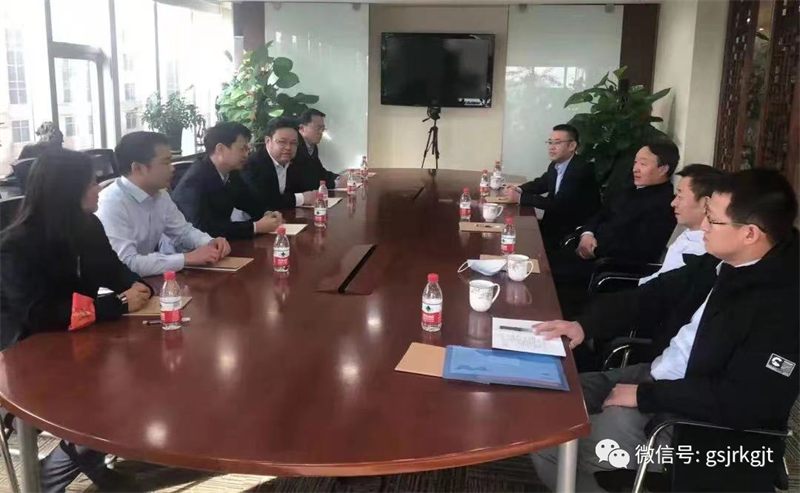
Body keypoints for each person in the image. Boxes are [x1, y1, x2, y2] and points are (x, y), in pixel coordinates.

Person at [531, 169, 800, 493]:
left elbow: (746, 401)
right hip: (661, 378)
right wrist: (584, 325)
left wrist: (644, 396)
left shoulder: (784, 305)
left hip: (698, 430)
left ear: (750, 234)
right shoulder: (725, 262)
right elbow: (655, 294)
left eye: (713, 220)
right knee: (550, 402)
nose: (703, 227)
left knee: (552, 440)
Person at [0, 149, 151, 493]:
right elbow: (38, 314)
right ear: (68, 190)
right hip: (25, 354)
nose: (99, 188)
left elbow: (112, 269)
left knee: (145, 377)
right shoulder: (16, 245)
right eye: (92, 183)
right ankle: (46, 482)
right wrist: (117, 304)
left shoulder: (88, 225)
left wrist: (138, 287)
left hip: (79, 340)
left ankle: (85, 467)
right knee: (112, 398)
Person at [547, 140, 679, 318]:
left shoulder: (664, 205)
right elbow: (600, 213)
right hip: (586, 250)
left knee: (546, 277)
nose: (635, 168)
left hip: (606, 266)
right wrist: (587, 234)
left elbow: (640, 251)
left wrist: (595, 249)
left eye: (643, 164)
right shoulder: (629, 188)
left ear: (663, 169)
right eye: (635, 162)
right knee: (540, 262)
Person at [96, 131, 231, 278]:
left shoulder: (160, 195)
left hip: (145, 280)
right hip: (113, 287)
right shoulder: (111, 204)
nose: (172, 168)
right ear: (138, 168)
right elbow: (127, 263)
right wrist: (186, 259)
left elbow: (183, 232)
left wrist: (209, 242)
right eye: (166, 162)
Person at [172, 122, 283, 239]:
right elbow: (202, 228)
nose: (247, 154)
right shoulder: (195, 180)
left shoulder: (231, 172)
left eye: (248, 149)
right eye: (242, 149)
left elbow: (249, 201)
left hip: (220, 243)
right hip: (190, 247)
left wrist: (267, 214)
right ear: (220, 149)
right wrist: (255, 227)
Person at [505, 124, 600, 249]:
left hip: (571, 231)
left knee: (520, 242)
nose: (551, 147)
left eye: (557, 143)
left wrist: (520, 198)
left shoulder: (580, 169)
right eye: (550, 142)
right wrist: (519, 188)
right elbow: (542, 183)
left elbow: (557, 203)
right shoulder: (556, 165)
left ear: (572, 146)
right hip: (553, 225)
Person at [638, 164, 723, 285]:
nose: (673, 203)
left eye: (680, 197)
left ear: (705, 204)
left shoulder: (705, 251)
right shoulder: (689, 234)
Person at [242, 117, 319, 211]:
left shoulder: (296, 161)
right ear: (268, 141)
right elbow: (263, 200)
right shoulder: (253, 164)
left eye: (293, 143)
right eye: (282, 142)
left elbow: (310, 184)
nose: (288, 147)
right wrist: (301, 198)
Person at [296, 109, 343, 189]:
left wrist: (338, 178)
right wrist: (336, 183)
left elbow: (319, 172)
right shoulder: (295, 146)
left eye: (323, 129)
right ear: (302, 128)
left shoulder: (312, 146)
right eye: (318, 128)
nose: (321, 132)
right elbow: (309, 181)